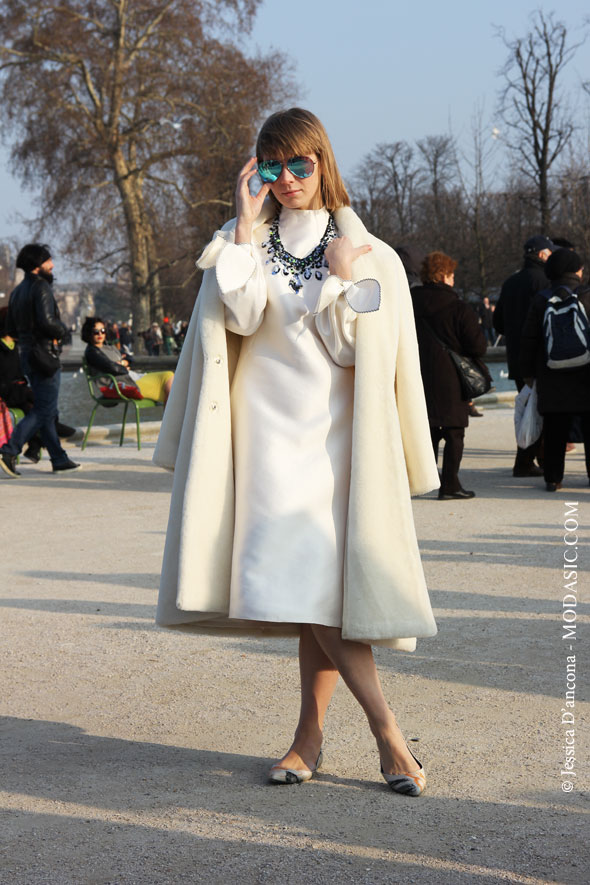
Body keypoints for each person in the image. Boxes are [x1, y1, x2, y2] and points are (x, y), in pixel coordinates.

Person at [154, 108, 440, 797]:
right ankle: (374, 738)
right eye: (271, 166)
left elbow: (351, 350)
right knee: (314, 591)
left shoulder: (366, 251)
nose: (286, 179)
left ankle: (351, 736)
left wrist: (339, 277)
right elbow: (245, 315)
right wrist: (244, 229)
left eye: (299, 165)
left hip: (335, 444)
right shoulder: (240, 240)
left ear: (323, 160)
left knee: (324, 594)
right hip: (266, 444)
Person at [411, 252, 487, 500]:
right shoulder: (458, 307)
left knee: (428, 431)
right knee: (454, 433)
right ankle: (450, 484)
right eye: (452, 275)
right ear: (444, 276)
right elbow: (477, 347)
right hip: (451, 378)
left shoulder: (410, 302)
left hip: (418, 374)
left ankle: (425, 481)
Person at [0, 243, 80, 477]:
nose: (52, 265)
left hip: (26, 355)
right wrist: (63, 331)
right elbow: (47, 322)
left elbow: (12, 327)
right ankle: (10, 449)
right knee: (44, 409)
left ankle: (58, 458)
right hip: (44, 355)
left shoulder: (16, 292)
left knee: (46, 409)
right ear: (37, 265)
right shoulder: (41, 287)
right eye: (48, 261)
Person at [520, 249, 590, 491]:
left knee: (554, 431)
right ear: (576, 271)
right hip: (586, 376)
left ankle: (553, 478)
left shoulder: (542, 299)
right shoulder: (587, 297)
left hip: (552, 376)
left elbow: (529, 340)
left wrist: (528, 374)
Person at [494, 235, 554, 477]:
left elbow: (497, 322)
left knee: (529, 408)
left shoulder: (511, 282)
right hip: (539, 357)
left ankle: (530, 459)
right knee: (542, 410)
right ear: (542, 255)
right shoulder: (544, 281)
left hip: (516, 357)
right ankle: (528, 461)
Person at [0, 307, 75, 463]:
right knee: (44, 401)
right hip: (6, 391)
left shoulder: (17, 346)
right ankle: (53, 428)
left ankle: (34, 447)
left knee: (35, 407)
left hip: (19, 390)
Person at [82, 316, 174, 404]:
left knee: (169, 375)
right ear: (88, 333)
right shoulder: (92, 352)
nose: (100, 334)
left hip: (130, 377)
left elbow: (129, 358)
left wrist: (121, 363)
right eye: (96, 332)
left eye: (103, 330)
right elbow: (111, 367)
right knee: (169, 387)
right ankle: (170, 418)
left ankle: (170, 417)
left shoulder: (109, 346)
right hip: (121, 384)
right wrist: (123, 366)